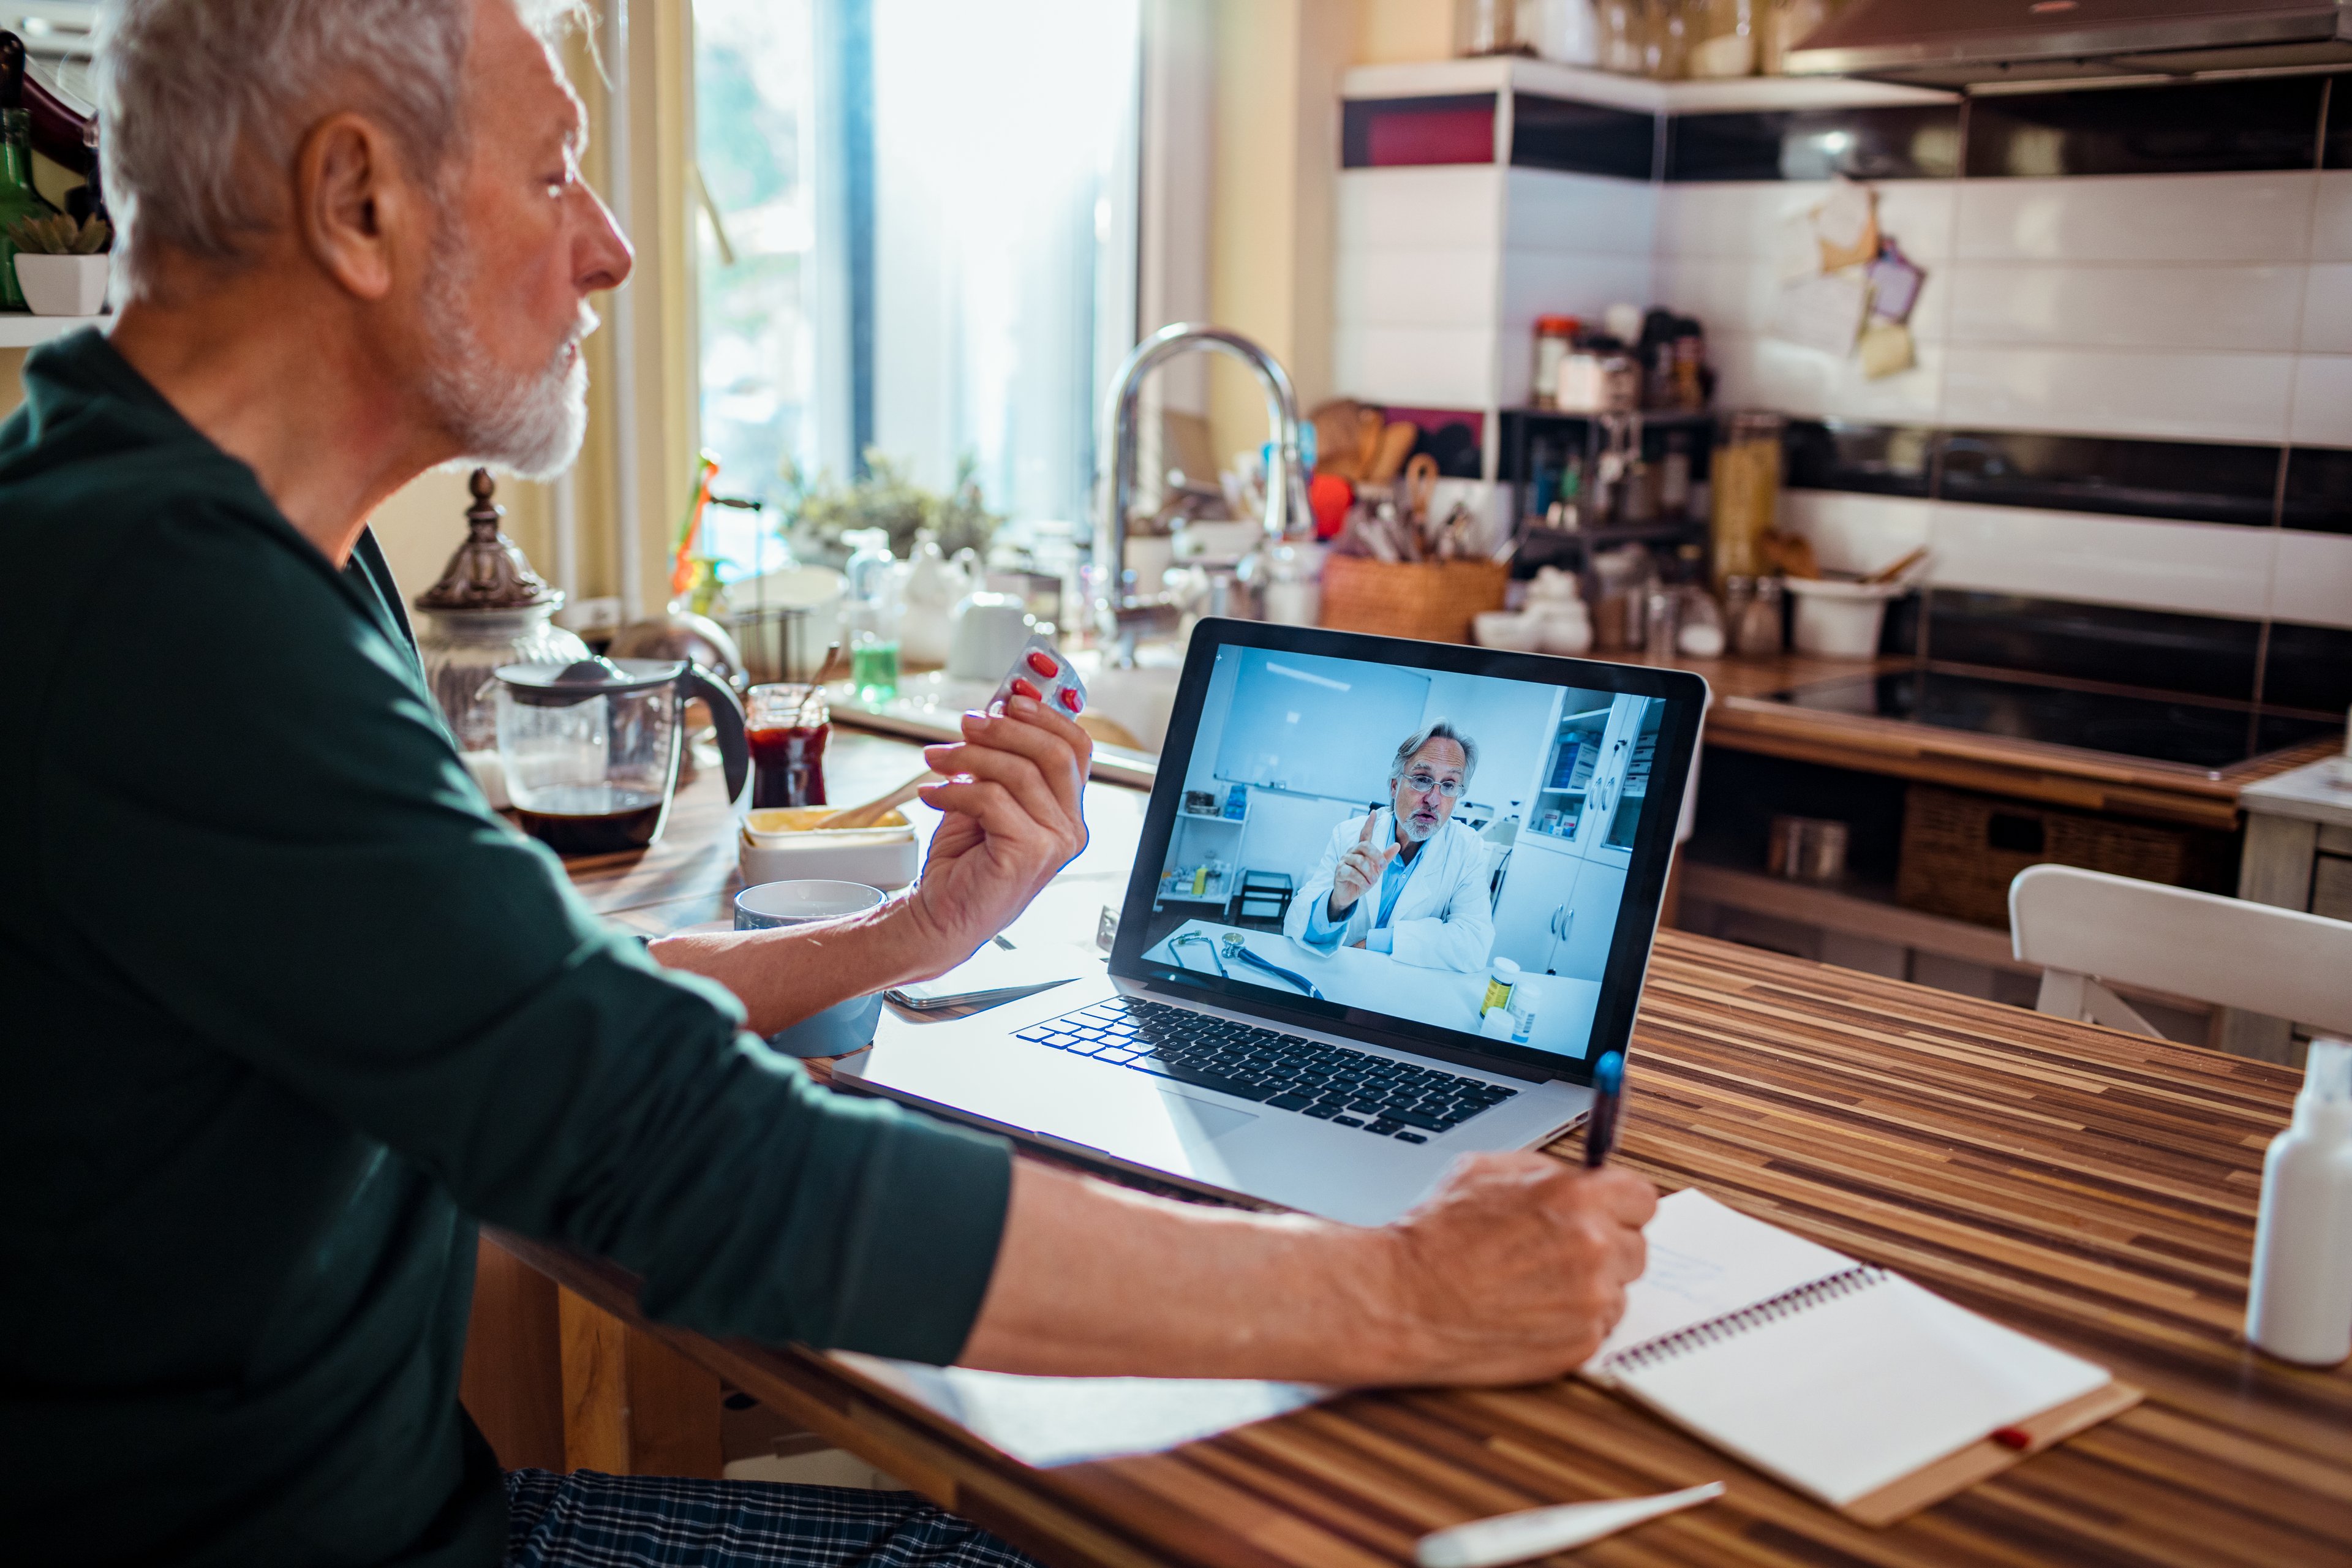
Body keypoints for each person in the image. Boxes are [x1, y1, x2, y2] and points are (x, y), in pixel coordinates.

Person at [0, 2, 1656, 1565]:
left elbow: (540, 999)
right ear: (357, 200)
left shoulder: (259, 552)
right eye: (556, 168)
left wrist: (910, 936)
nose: (612, 247)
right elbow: (674, 1152)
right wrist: (1409, 1296)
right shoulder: (160, 610)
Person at [1284, 722, 1496, 972]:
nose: (1434, 799)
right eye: (1421, 779)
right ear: (1395, 786)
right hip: (1338, 975)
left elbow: (1474, 943)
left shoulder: (1468, 849)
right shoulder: (1349, 835)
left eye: (1449, 785)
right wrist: (1336, 904)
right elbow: (1296, 924)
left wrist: (1376, 943)